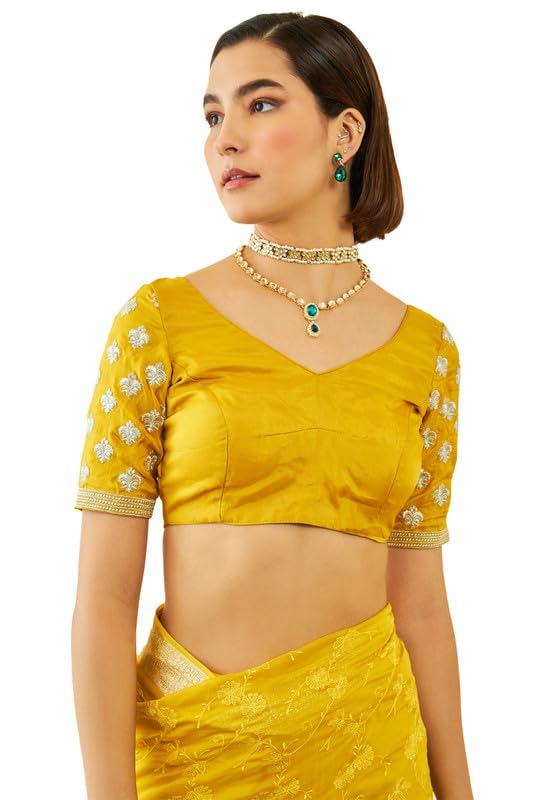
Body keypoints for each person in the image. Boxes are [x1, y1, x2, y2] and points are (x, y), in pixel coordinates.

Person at [71, 12, 474, 800]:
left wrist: (459, 792)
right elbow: (104, 602)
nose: (225, 139)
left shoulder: (427, 351)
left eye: (259, 104)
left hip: (372, 755)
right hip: (200, 757)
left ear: (344, 132)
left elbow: (422, 607)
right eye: (212, 115)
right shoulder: (158, 322)